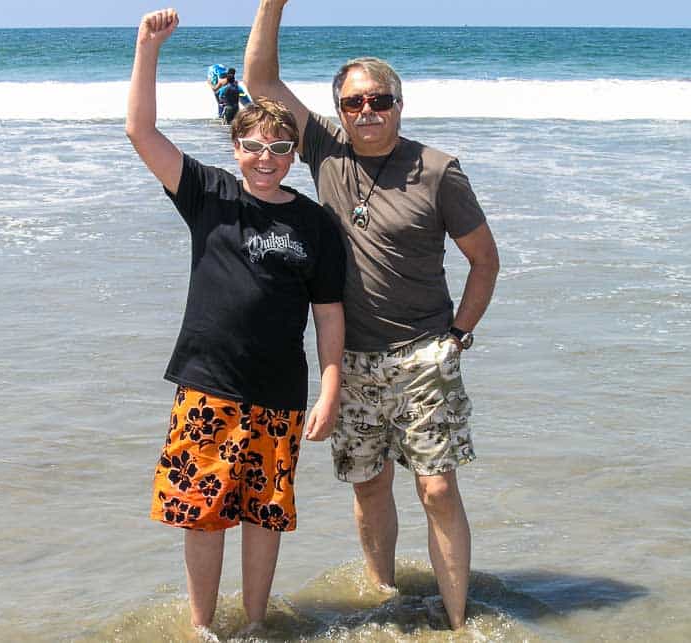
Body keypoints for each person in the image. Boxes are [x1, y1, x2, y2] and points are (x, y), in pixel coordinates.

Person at [243, 0, 500, 631]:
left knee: (437, 489)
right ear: (339, 111)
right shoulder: (325, 151)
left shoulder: (438, 170)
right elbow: (260, 79)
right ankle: (386, 600)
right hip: (350, 359)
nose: (367, 112)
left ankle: (459, 621)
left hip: (423, 353)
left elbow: (486, 261)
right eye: (354, 102)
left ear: (399, 104)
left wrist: (457, 338)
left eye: (378, 101)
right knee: (369, 485)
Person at [126, 8, 346, 633]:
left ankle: (253, 624)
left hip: (278, 394)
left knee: (263, 517)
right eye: (253, 148)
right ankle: (203, 628)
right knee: (202, 514)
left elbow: (330, 315)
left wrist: (328, 391)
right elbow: (140, 131)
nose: (266, 158)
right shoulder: (210, 195)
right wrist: (149, 50)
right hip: (207, 385)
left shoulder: (316, 224)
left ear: (292, 152)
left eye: (279, 148)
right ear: (236, 148)